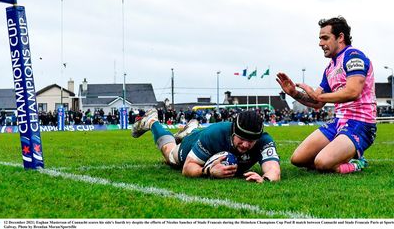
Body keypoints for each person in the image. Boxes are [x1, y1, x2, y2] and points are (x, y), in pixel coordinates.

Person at [276, 16, 377, 174]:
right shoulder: (330, 68)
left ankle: (358, 162)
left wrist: (318, 97)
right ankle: (340, 155)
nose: (320, 43)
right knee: (298, 159)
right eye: (320, 39)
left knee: (322, 163)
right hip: (338, 122)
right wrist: (294, 93)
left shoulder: (354, 56)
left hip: (361, 123)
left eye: (325, 38)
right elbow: (317, 102)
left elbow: (353, 92)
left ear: (340, 37)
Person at [132, 109, 281, 183]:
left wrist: (265, 180)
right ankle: (152, 121)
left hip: (204, 137)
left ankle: (191, 129)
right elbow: (187, 168)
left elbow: (274, 169)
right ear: (233, 131)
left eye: (251, 141)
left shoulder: (264, 140)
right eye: (242, 138)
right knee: (170, 155)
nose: (246, 144)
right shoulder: (216, 134)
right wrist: (207, 170)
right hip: (193, 143)